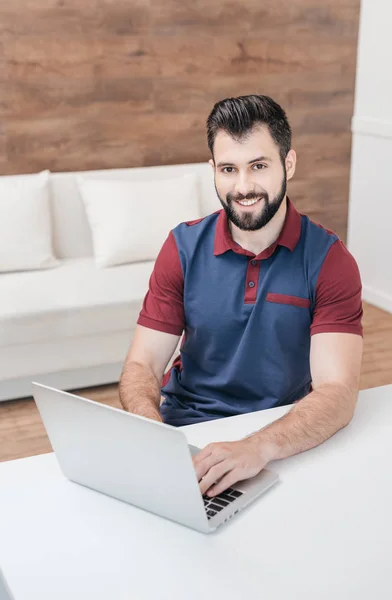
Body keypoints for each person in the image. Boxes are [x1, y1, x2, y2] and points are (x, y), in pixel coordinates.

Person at [119, 95, 363, 498]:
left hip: (278, 435)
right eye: (229, 169)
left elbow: (337, 392)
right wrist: (153, 433)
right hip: (186, 430)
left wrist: (257, 447)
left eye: (259, 166)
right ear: (212, 170)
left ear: (289, 164)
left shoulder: (329, 260)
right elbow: (143, 362)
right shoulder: (182, 247)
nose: (244, 186)